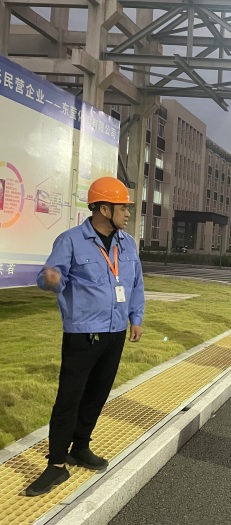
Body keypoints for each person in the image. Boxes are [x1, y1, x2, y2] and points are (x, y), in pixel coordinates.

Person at [26, 177, 145, 497]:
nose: (128, 213)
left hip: (115, 332)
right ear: (104, 209)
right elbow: (47, 277)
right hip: (83, 333)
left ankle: (80, 447)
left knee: (97, 394)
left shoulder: (128, 244)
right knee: (70, 397)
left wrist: (136, 318)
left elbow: (136, 284)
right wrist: (51, 279)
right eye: (123, 207)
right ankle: (55, 464)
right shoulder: (71, 241)